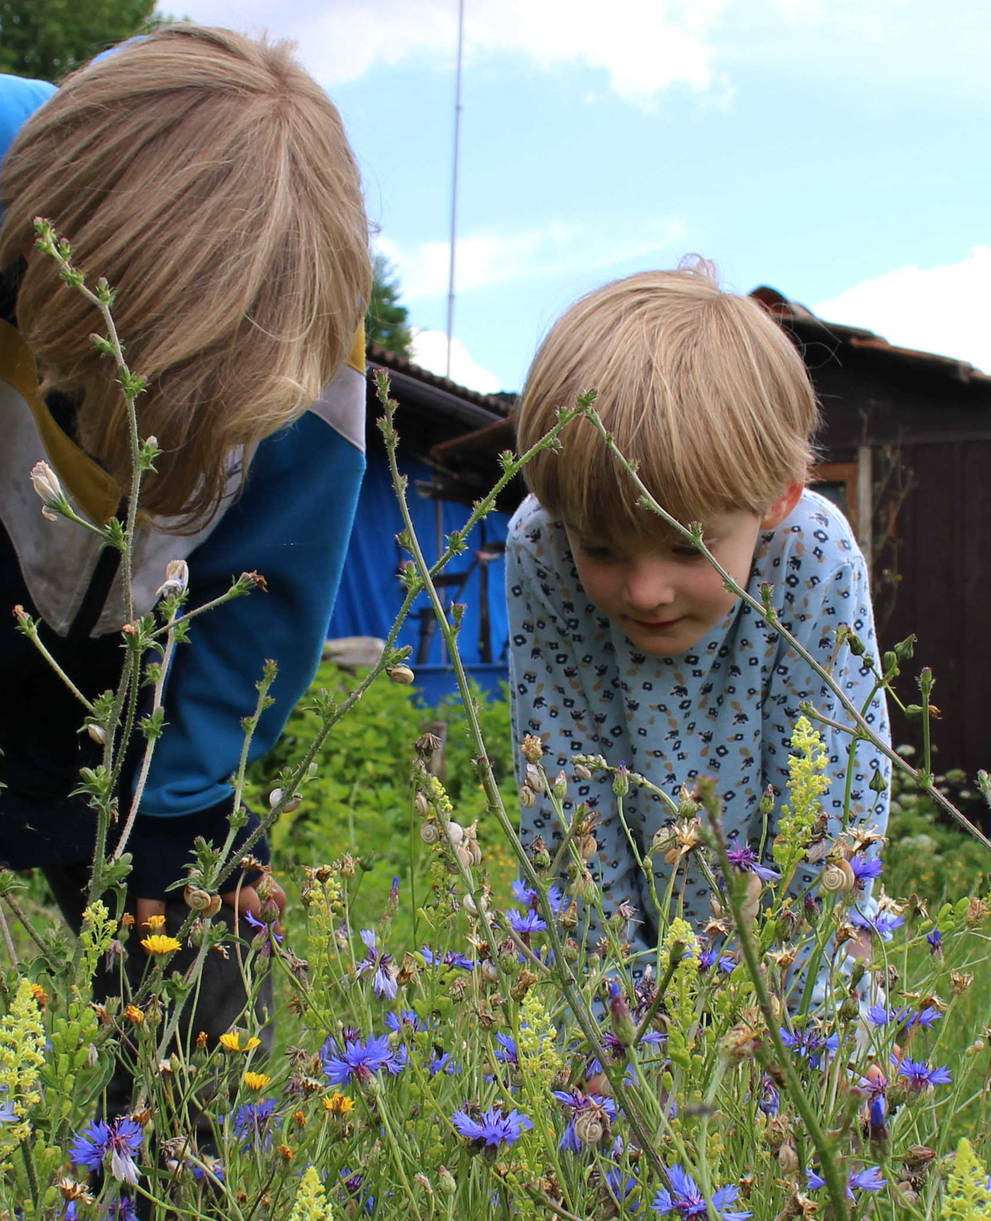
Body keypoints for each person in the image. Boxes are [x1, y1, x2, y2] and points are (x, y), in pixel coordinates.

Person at [0, 25, 370, 1036]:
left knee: (196, 995)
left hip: (150, 658)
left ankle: (181, 1128)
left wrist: (179, 797)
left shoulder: (312, 332)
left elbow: (269, 592)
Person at [508, 263, 890, 971]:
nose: (646, 590)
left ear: (776, 497)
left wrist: (796, 1002)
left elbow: (835, 805)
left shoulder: (812, 552)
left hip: (795, 952)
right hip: (616, 952)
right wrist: (614, 1008)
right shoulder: (542, 543)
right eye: (601, 549)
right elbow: (560, 795)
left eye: (688, 547)